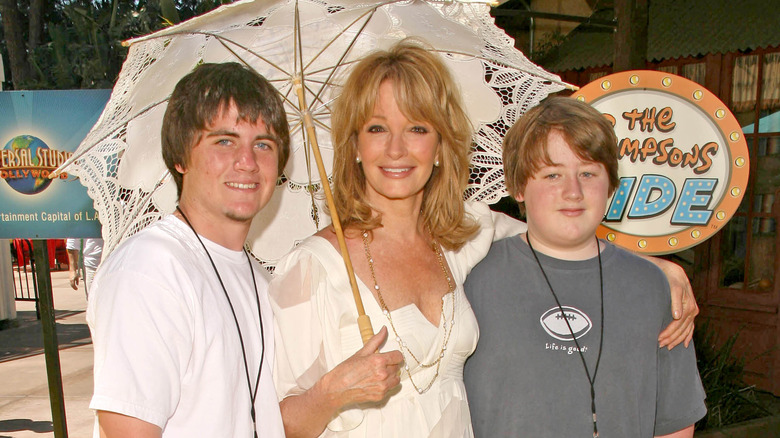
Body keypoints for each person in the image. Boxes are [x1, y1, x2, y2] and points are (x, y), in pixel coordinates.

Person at [270, 40, 697, 438]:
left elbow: (560, 235)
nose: (397, 149)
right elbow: (273, 422)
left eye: (417, 128)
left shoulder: (461, 240)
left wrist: (660, 268)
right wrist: (331, 395)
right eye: (378, 128)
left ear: (440, 146)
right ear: (355, 146)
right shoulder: (314, 267)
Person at [464, 97, 707, 437]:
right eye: (552, 175)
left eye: (588, 173)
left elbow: (676, 421)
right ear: (518, 187)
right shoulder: (472, 278)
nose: (572, 191)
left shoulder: (653, 287)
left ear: (611, 186)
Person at [87, 62, 290, 438]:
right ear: (180, 157)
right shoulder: (151, 271)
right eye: (224, 141)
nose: (247, 162)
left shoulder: (260, 278)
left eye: (263, 144)